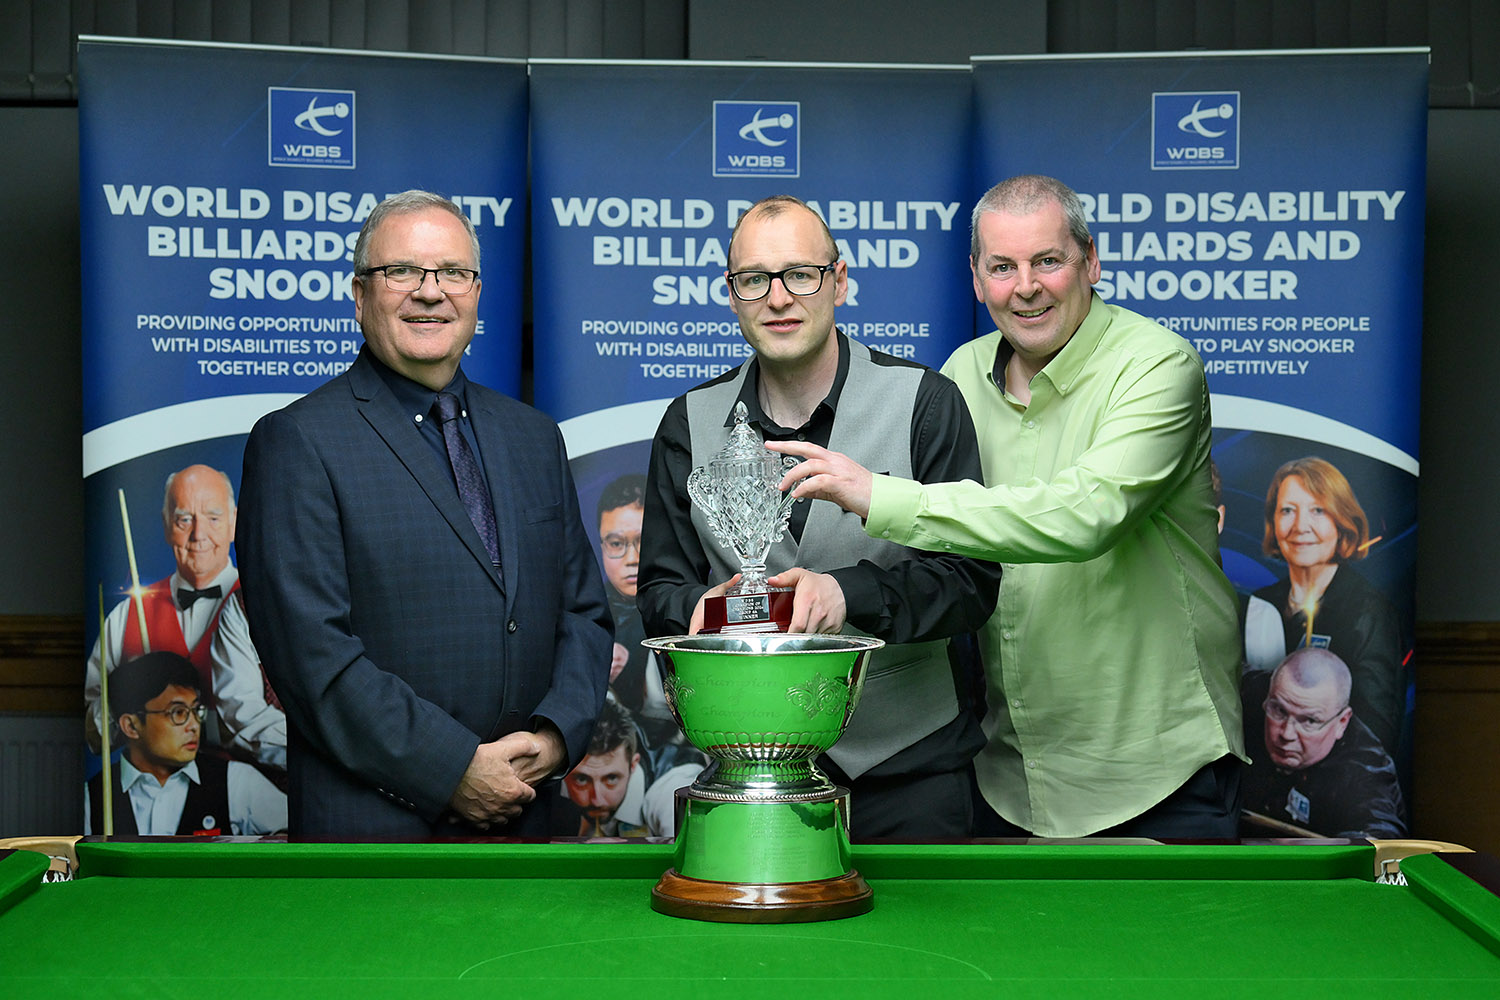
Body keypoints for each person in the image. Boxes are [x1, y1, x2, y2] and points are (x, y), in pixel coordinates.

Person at [772, 175, 1244, 839]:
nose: (1025, 286)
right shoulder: (959, 377)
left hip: (1155, 776)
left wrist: (879, 494)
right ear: (976, 278)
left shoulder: (1158, 366)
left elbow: (1085, 515)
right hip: (1005, 779)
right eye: (1002, 267)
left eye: (1047, 260)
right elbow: (936, 566)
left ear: (1091, 261)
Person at [238, 190, 613, 839]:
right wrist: (453, 770)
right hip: (376, 840)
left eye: (452, 273)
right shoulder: (297, 442)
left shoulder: (533, 437)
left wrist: (553, 740)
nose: (430, 292)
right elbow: (314, 660)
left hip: (524, 829)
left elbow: (582, 613)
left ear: (475, 294)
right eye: (403, 271)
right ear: (360, 294)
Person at [637, 194, 1002, 841]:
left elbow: (971, 580)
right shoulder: (687, 422)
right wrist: (701, 610)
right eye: (755, 279)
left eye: (800, 274)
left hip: (911, 776)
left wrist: (846, 593)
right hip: (749, 775)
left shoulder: (924, 403)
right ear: (731, 293)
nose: (778, 297)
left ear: (839, 279)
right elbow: (661, 589)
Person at [85, 464, 286, 769]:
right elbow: (90, 731)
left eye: (213, 518)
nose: (199, 534)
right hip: (151, 807)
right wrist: (130, 702)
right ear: (166, 526)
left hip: (254, 805)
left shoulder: (266, 604)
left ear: (234, 523)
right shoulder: (127, 616)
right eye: (184, 519)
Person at [1243, 457, 1407, 751]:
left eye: (1317, 510)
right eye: (1288, 511)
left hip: (1336, 789)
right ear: (1273, 521)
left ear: (1341, 521)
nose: (1300, 526)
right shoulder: (1259, 605)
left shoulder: (1369, 612)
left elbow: (1376, 735)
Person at [85, 651, 286, 836]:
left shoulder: (236, 781)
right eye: (178, 713)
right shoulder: (92, 796)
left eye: (196, 711)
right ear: (131, 726)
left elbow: (299, 837)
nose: (194, 725)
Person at [1240, 649, 1405, 838]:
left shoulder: (1364, 767)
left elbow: (1382, 839)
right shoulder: (1254, 692)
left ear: (1342, 722)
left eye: (1309, 721)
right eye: (1279, 710)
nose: (1287, 733)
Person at [555, 698, 700, 839]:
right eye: (582, 779)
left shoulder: (671, 791)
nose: (596, 800)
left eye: (611, 778)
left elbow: (690, 857)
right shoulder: (556, 772)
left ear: (633, 765)